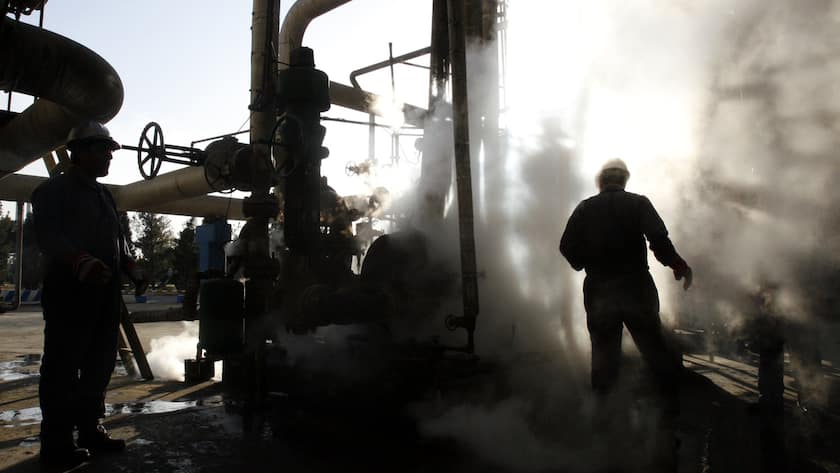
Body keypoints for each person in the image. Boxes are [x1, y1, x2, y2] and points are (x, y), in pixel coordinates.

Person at [31, 122, 148, 469]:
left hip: (105, 295)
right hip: (71, 292)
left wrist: (131, 267)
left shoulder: (104, 195)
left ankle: (89, 428)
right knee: (63, 369)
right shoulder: (53, 191)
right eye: (101, 149)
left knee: (98, 366)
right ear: (77, 152)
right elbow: (49, 236)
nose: (108, 156)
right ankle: (56, 444)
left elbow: (119, 241)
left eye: (110, 150)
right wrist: (80, 260)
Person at [559, 159, 692, 397]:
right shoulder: (638, 203)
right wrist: (677, 264)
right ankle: (664, 419)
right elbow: (658, 239)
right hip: (637, 288)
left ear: (601, 181)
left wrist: (582, 263)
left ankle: (607, 419)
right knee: (654, 353)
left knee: (604, 360)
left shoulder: (585, 208)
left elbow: (567, 246)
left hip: (599, 290)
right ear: (624, 179)